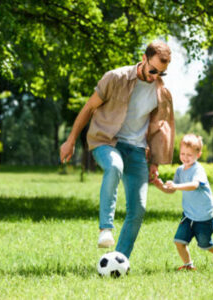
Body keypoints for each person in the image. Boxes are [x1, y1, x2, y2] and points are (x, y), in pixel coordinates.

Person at [60, 41, 175, 258]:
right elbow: (89, 107)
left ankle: (119, 260)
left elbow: (160, 129)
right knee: (114, 166)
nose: (155, 76)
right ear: (143, 58)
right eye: (152, 70)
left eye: (161, 73)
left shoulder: (162, 92)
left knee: (138, 209)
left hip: (137, 150)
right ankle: (105, 229)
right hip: (107, 140)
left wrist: (156, 163)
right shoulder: (115, 78)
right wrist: (71, 140)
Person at [153, 134, 213, 270]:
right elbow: (172, 190)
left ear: (198, 154)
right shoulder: (179, 170)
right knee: (179, 241)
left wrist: (176, 186)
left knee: (204, 244)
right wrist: (161, 186)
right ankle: (188, 265)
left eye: (189, 154)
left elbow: (194, 185)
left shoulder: (198, 169)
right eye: (183, 153)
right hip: (188, 214)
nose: (185, 157)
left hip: (204, 216)